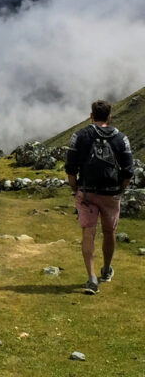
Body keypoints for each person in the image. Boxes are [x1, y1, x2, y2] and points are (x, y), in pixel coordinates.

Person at [65, 99, 134, 295]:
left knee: (88, 232)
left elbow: (70, 168)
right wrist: (120, 189)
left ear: (91, 116)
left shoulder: (79, 135)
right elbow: (128, 170)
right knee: (109, 232)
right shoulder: (121, 138)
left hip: (87, 192)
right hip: (111, 193)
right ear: (109, 117)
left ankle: (91, 278)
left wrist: (75, 189)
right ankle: (106, 270)